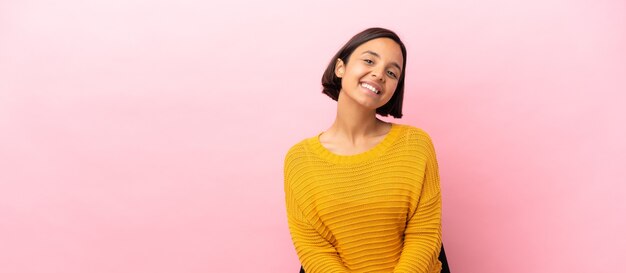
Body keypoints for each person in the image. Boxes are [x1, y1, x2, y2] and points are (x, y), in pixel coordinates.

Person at [284, 27, 443, 273]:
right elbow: (314, 249)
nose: (379, 74)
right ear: (341, 68)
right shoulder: (300, 159)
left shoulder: (416, 144)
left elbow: (424, 234)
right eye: (369, 60)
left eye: (392, 72)